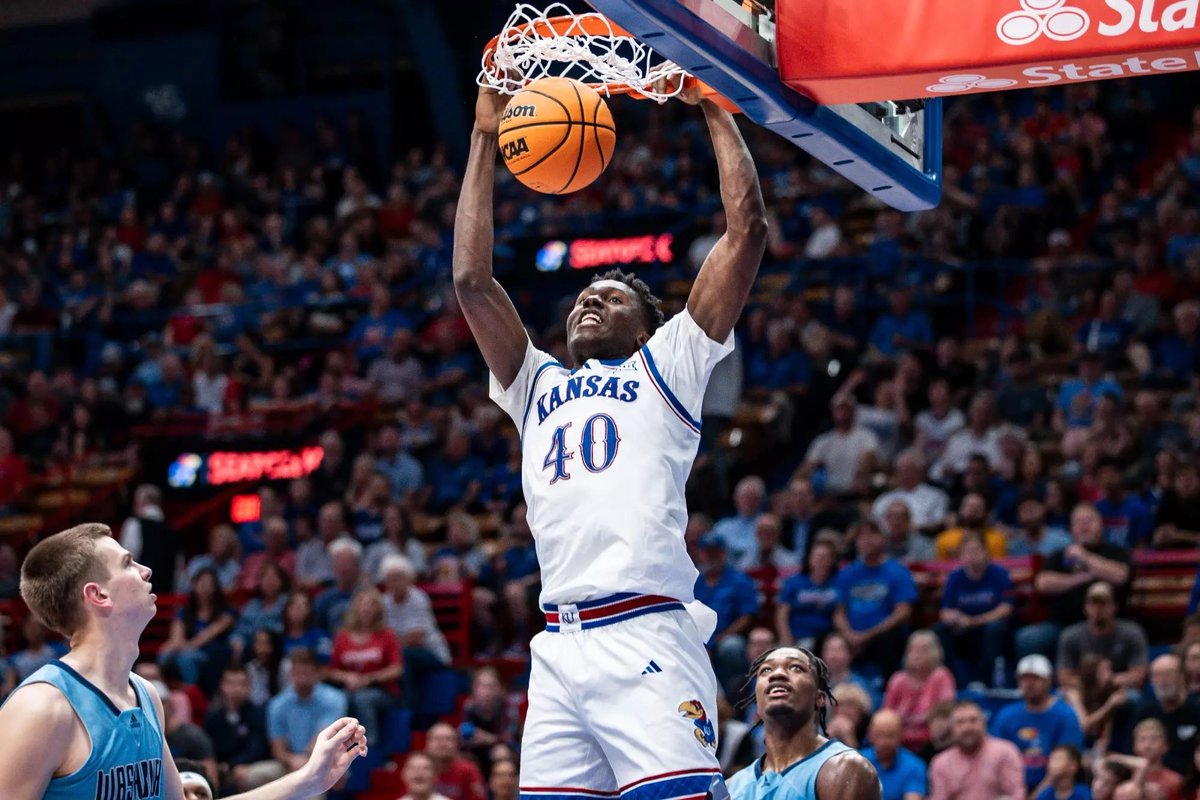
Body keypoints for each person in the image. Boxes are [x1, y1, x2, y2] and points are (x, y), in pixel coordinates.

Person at [0, 524, 367, 798]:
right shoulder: (43, 708)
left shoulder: (145, 696)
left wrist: (310, 779)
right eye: (128, 563)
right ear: (98, 595)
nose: (146, 570)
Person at [726, 646, 881, 799]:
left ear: (819, 698)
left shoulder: (846, 770)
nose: (777, 674)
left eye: (795, 667)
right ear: (757, 703)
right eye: (766, 670)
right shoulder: (731, 788)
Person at [1017, 503, 1131, 661]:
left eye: (1089, 520)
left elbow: (1120, 576)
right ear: (1071, 529)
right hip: (1062, 624)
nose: (1084, 526)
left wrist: (1085, 557)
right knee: (1028, 638)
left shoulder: (1115, 552)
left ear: (1101, 525)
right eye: (1078, 522)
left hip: (1106, 624)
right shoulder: (1060, 554)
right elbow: (1042, 583)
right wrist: (1080, 578)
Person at [833, 519, 917, 676]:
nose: (866, 540)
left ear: (883, 539)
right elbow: (839, 612)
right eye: (861, 537)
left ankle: (889, 690)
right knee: (828, 641)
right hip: (853, 635)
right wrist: (849, 634)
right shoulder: (847, 573)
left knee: (890, 638)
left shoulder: (898, 571)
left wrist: (868, 635)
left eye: (872, 535)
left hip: (883, 634)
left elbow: (903, 612)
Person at [989, 655, 1084, 792]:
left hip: (1053, 790)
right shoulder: (1006, 715)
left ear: (1049, 681)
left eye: (1036, 678)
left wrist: (1036, 796)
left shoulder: (1065, 715)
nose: (1029, 683)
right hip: (1012, 786)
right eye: (1024, 678)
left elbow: (1065, 764)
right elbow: (996, 758)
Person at [935, 530, 1014, 687]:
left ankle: (987, 683)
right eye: (967, 552)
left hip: (990, 627)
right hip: (964, 629)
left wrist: (972, 621)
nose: (972, 556)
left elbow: (1005, 609)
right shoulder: (955, 577)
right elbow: (944, 612)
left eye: (976, 551)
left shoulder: (999, 574)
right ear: (961, 555)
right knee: (940, 630)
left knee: (994, 629)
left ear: (986, 552)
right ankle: (953, 683)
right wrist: (954, 618)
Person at [266, 647, 352, 775]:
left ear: (317, 673)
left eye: (306, 673)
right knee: (252, 776)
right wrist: (292, 760)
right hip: (289, 763)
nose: (302, 678)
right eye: (298, 673)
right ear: (290, 674)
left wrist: (305, 762)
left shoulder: (335, 698)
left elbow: (324, 738)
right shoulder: (277, 704)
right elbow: (278, 749)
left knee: (312, 781)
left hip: (326, 761)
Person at [1056, 581, 1148, 691]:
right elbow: (1064, 678)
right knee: (1064, 695)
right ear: (1085, 608)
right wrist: (1095, 683)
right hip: (1084, 690)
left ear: (1114, 607)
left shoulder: (1132, 633)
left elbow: (1139, 676)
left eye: (1103, 604)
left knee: (1133, 697)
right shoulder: (1070, 636)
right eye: (1094, 604)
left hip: (1118, 689)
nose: (1098, 609)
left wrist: (1110, 681)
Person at [927, 701, 1024, 800]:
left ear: (984, 723)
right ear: (952, 728)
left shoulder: (1005, 752)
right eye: (960, 722)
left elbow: (1015, 795)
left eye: (973, 720)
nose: (967, 727)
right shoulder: (941, 763)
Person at [882, 630, 956, 753]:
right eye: (913, 649)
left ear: (935, 653)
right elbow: (887, 715)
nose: (917, 654)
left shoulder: (941, 676)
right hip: (898, 743)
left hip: (931, 743)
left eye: (923, 650)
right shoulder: (898, 679)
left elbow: (944, 714)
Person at [1134, 653, 1200, 775]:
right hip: (1150, 780)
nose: (1162, 680)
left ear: (1181, 676)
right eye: (1157, 675)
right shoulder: (1145, 712)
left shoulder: (1196, 710)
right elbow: (1131, 752)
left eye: (1168, 674)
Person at [775, 537, 840, 649]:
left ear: (832, 560)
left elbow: (840, 613)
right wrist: (786, 638)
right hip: (798, 637)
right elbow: (782, 614)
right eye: (817, 557)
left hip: (826, 639)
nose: (821, 561)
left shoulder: (838, 583)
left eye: (825, 557)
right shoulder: (794, 582)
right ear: (809, 559)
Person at [861, 709, 928, 800]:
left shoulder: (914, 766)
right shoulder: (858, 761)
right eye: (879, 735)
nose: (884, 742)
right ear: (870, 735)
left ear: (900, 735)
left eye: (890, 735)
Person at [425, 721, 486, 800]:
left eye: (448, 739)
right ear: (428, 743)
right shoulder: (417, 769)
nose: (442, 744)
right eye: (437, 739)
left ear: (456, 744)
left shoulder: (469, 771)